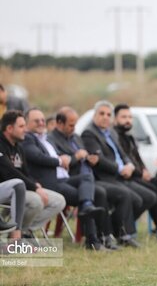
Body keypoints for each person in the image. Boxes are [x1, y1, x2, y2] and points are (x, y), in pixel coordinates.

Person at [48, 106, 133, 249]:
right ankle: (95, 239)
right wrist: (76, 157)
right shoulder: (51, 140)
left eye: (75, 124)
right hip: (70, 180)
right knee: (98, 193)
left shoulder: (75, 137)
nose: (74, 128)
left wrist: (89, 158)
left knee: (102, 192)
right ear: (59, 123)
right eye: (70, 125)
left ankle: (105, 237)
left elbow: (85, 156)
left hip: (87, 178)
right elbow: (60, 164)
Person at [21, 108, 106, 250]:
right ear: (26, 123)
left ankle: (87, 210)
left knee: (87, 179)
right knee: (89, 195)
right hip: (49, 183)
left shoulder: (43, 139)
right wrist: (61, 161)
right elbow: (38, 157)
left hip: (63, 178)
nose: (42, 123)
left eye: (43, 119)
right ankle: (92, 240)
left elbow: (56, 157)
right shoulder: (28, 138)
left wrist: (65, 160)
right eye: (37, 121)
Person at [82, 100, 157, 247]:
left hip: (120, 176)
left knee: (149, 197)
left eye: (108, 114)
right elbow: (99, 160)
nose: (105, 117)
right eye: (101, 113)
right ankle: (123, 234)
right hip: (103, 177)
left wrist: (129, 165)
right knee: (130, 197)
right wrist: (119, 168)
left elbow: (123, 154)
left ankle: (118, 229)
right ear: (94, 115)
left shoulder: (110, 132)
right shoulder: (89, 133)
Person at [113, 104, 157, 242]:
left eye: (130, 117)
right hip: (128, 178)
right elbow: (123, 162)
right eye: (123, 117)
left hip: (140, 175)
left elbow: (137, 158)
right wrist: (140, 173)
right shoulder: (114, 137)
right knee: (152, 189)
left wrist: (145, 170)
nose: (128, 120)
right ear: (115, 119)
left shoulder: (129, 137)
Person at [0, 110, 65, 235]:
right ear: (9, 128)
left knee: (59, 200)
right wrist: (34, 187)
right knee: (35, 200)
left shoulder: (18, 147)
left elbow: (25, 173)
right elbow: (10, 173)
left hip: (21, 188)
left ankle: (25, 231)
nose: (25, 130)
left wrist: (35, 183)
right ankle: (15, 235)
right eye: (21, 126)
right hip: (5, 189)